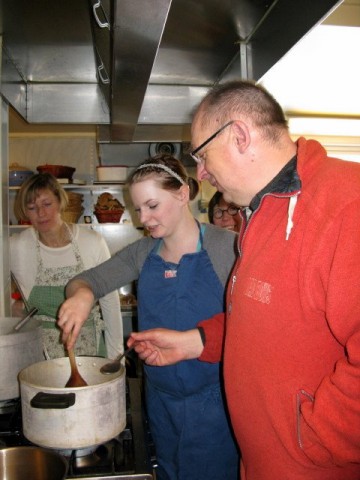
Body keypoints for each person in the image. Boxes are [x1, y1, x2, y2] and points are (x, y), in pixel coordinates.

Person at [127, 80, 360, 480]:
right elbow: (263, 322)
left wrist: (314, 440)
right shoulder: (260, 216)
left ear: (238, 135)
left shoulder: (344, 205)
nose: (202, 172)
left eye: (202, 155)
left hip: (309, 467)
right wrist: (196, 342)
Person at [58, 154, 239, 480]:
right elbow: (87, 280)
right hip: (160, 400)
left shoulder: (228, 248)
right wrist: (83, 295)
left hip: (216, 404)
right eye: (138, 208)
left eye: (152, 206)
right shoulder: (142, 253)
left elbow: (252, 325)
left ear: (182, 194)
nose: (144, 218)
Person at [10, 172, 123, 359]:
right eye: (32, 207)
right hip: (40, 355)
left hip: (90, 352)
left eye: (47, 204)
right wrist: (11, 306)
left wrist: (116, 358)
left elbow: (110, 302)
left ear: (60, 201)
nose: (41, 213)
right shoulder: (17, 246)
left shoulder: (92, 242)